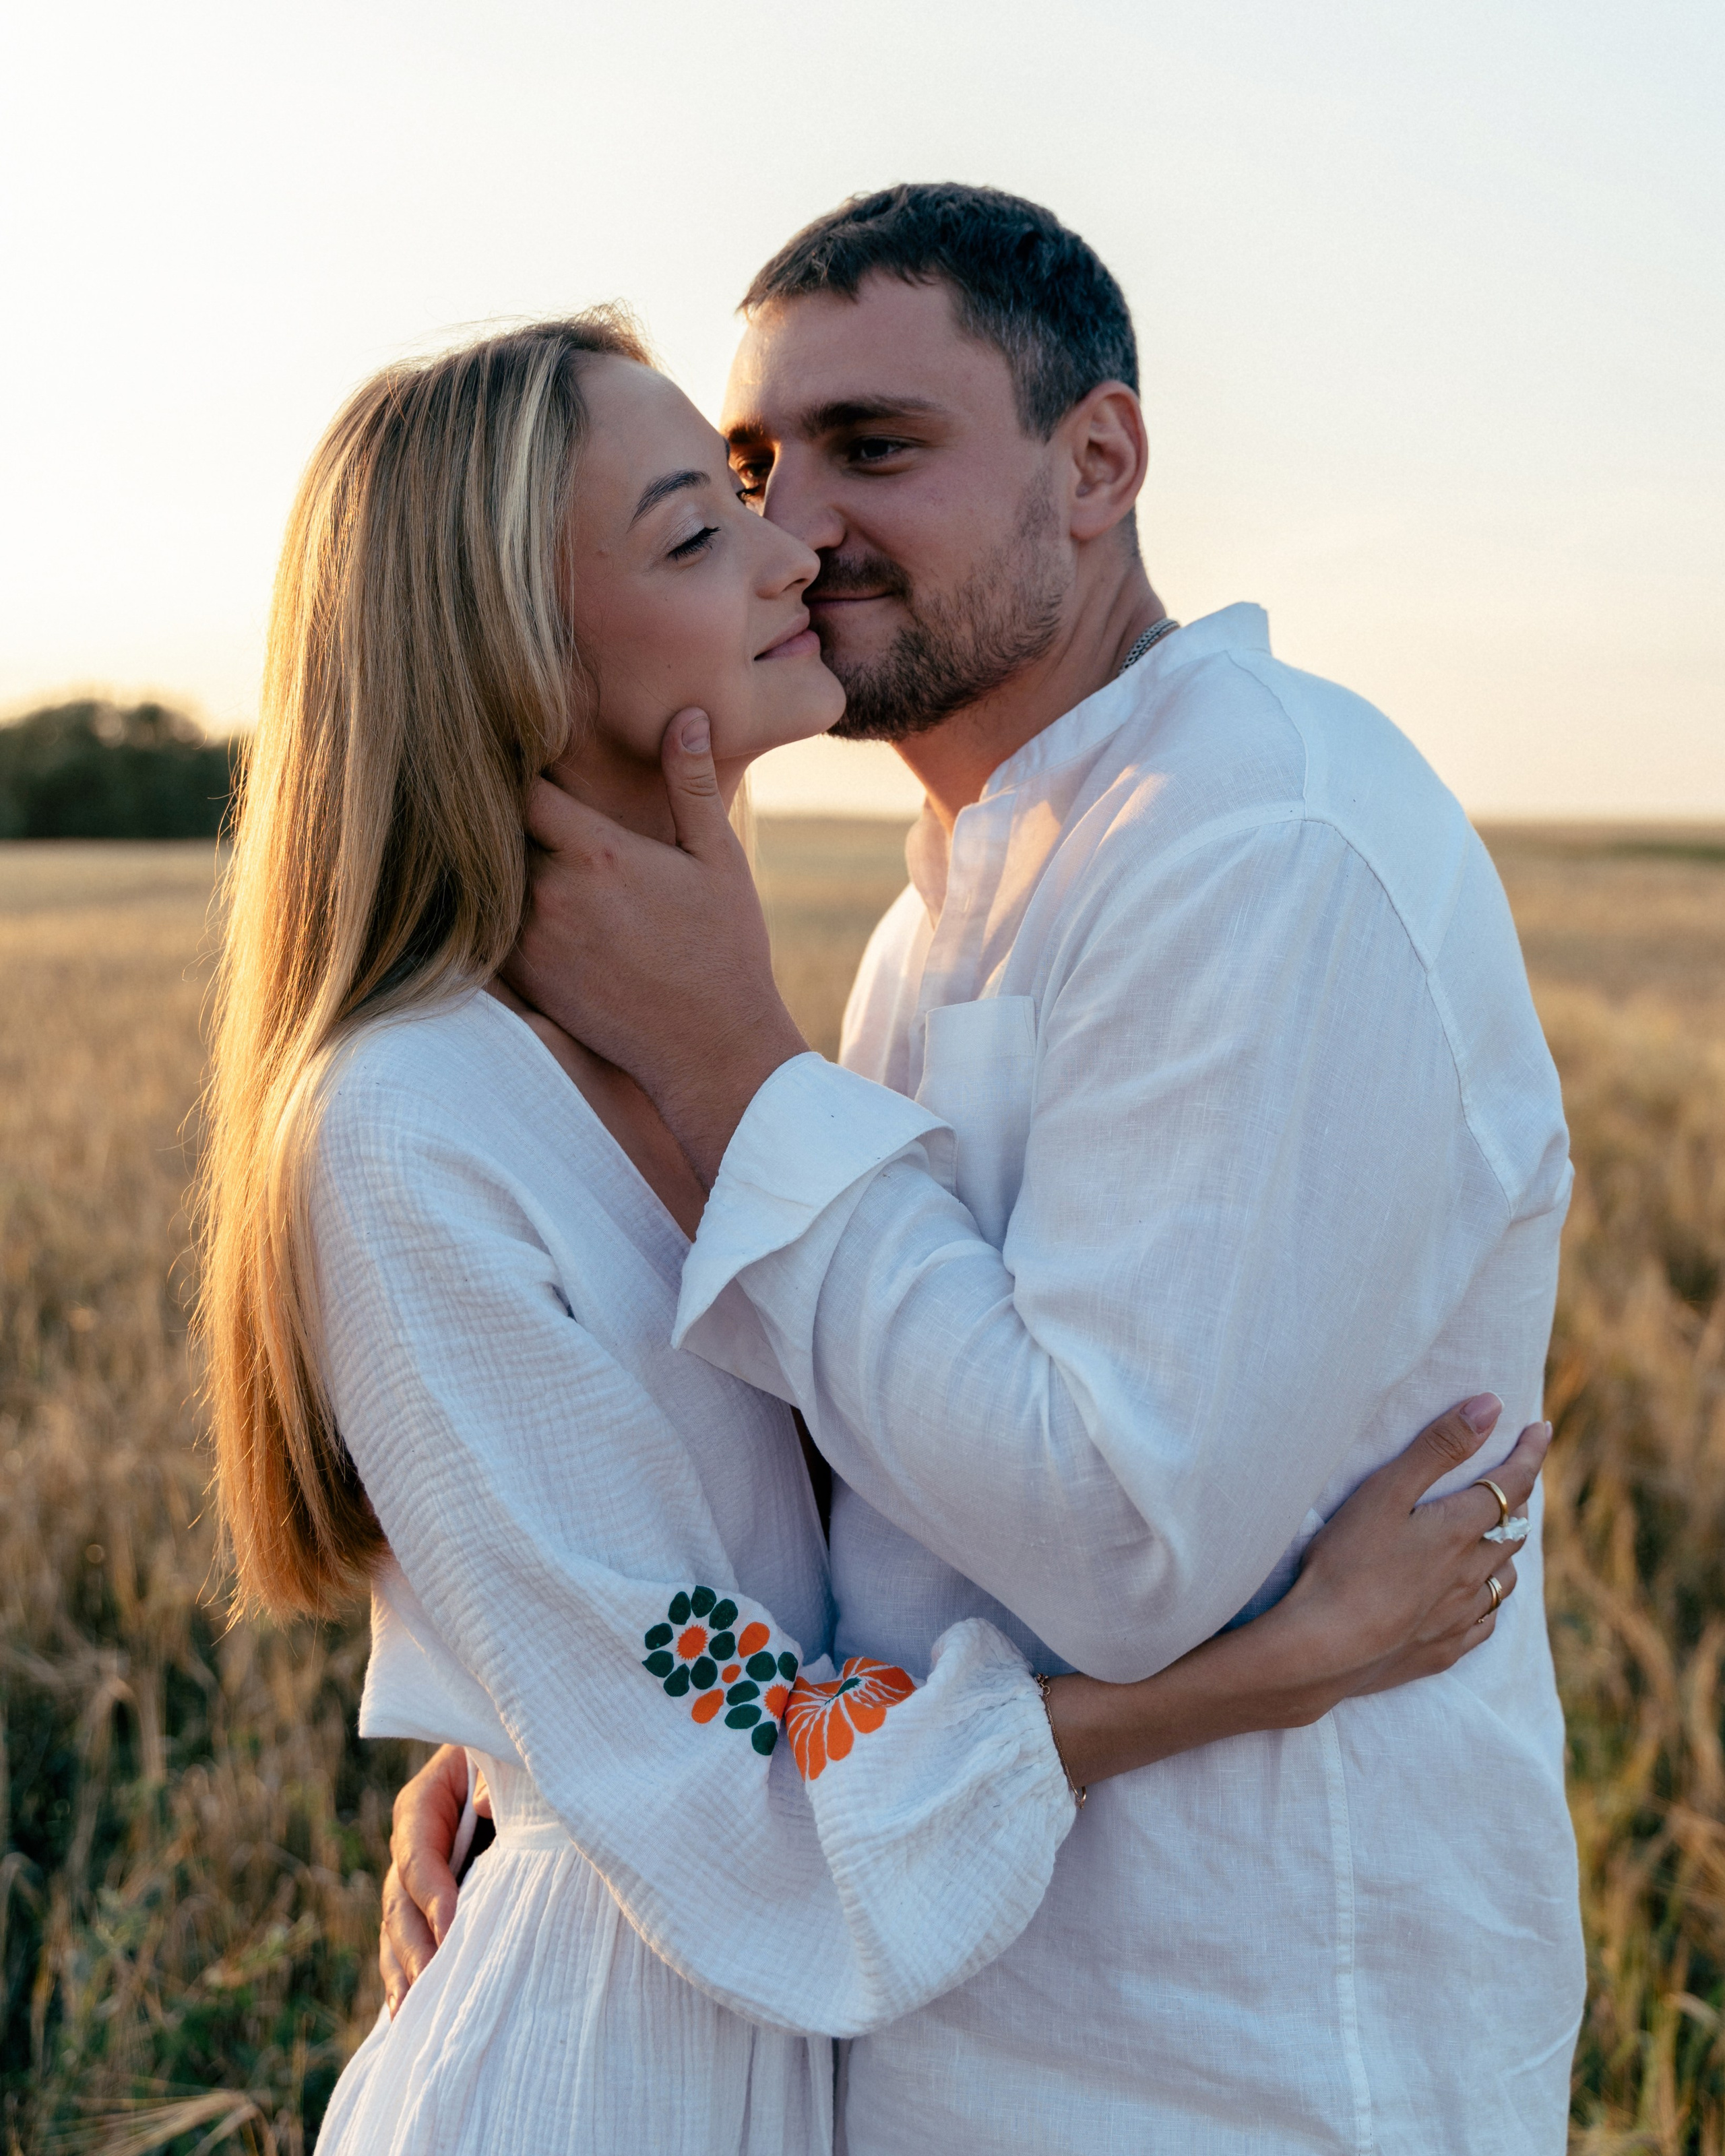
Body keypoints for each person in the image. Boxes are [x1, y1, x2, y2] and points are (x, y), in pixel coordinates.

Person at [197, 307, 1544, 2156]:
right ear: (510, 646)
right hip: (613, 2075)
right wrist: (1277, 1669)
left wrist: (545, 1692)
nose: (790, 551)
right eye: (703, 524)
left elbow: (725, 1605)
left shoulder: (709, 1038)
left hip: (781, 2052)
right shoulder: (408, 1117)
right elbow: (728, 1774)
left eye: (846, 465)